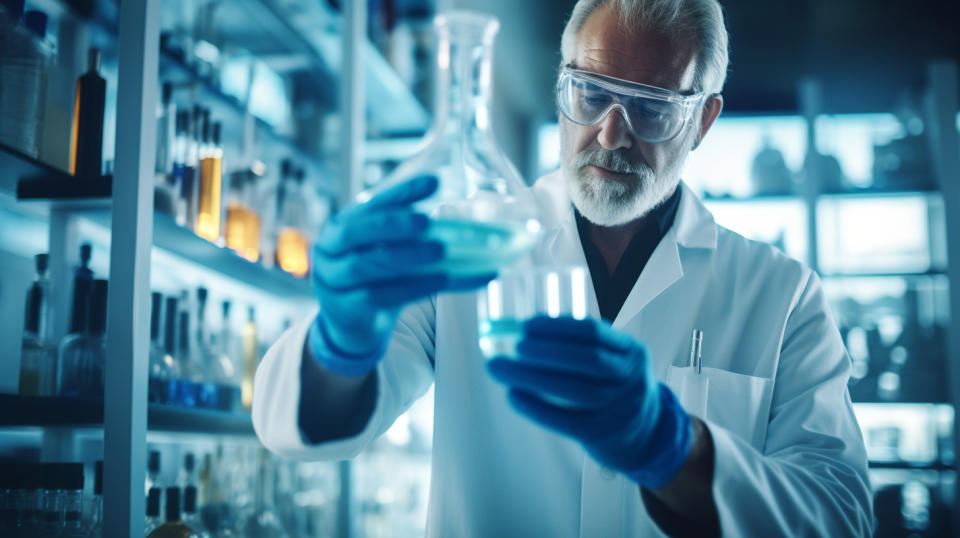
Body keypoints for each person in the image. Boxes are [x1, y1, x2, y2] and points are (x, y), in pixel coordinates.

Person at [252, 0, 874, 535]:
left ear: (703, 120)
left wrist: (671, 447)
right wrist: (339, 344)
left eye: (652, 108)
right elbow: (300, 428)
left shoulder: (782, 294)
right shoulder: (468, 248)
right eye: (593, 93)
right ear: (562, 87)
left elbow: (841, 516)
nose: (610, 135)